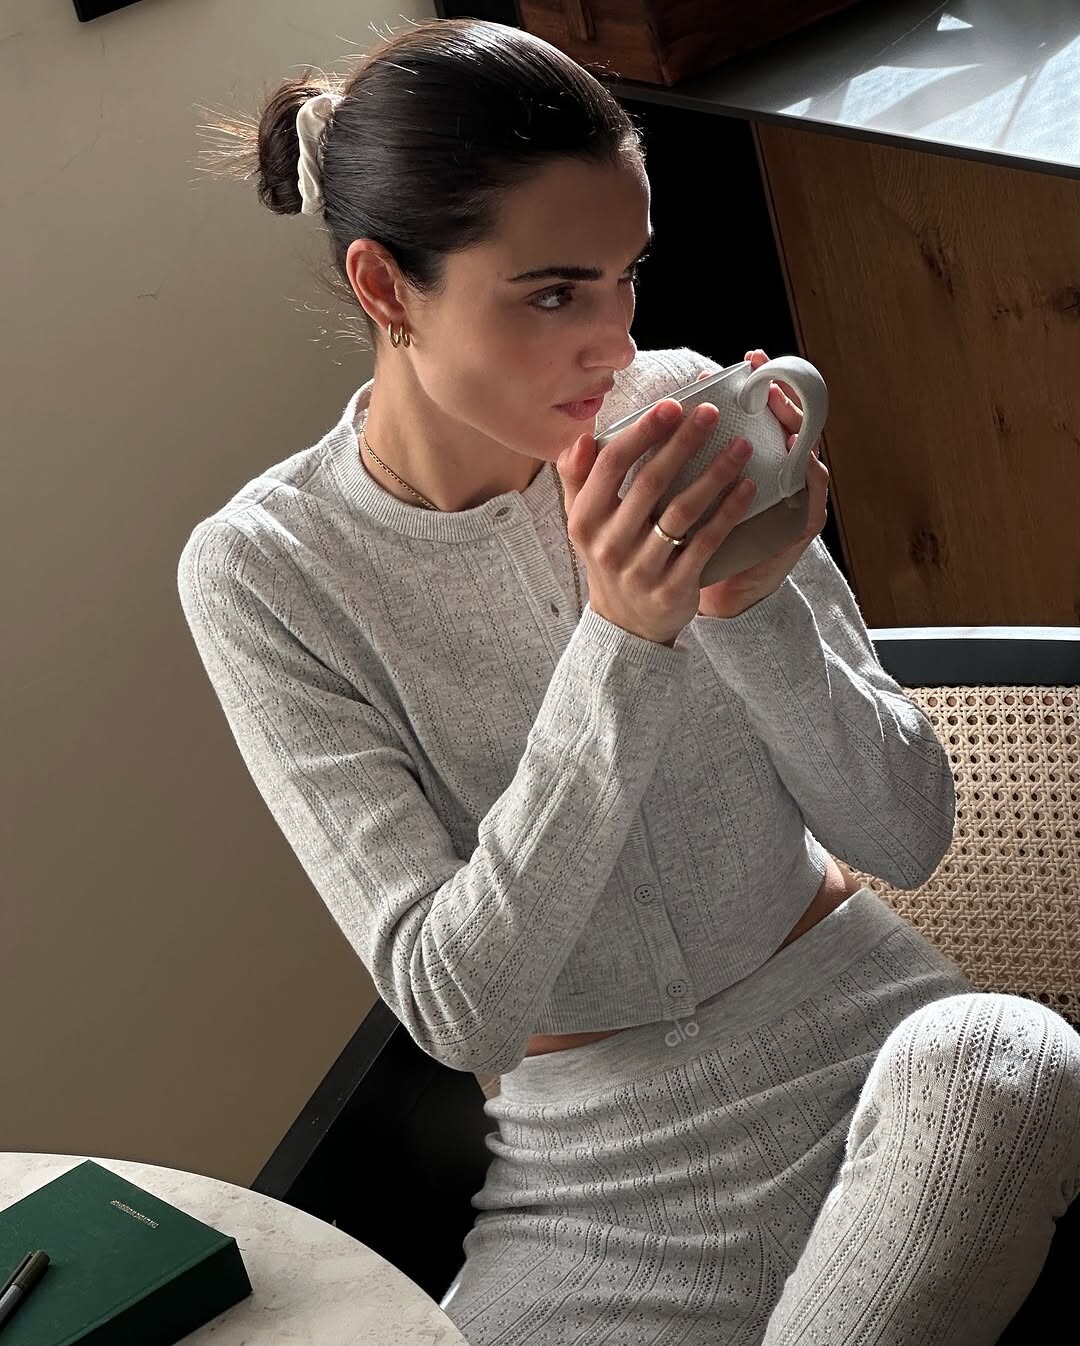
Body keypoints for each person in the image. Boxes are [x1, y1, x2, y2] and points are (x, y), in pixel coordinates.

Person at [179, 17, 1080, 1345]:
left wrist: (751, 606)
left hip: (891, 1063)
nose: (614, 343)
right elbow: (457, 1006)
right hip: (593, 1190)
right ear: (385, 288)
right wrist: (622, 640)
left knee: (1006, 1052)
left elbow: (905, 832)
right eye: (553, 294)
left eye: (625, 277)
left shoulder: (684, 413)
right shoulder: (268, 574)